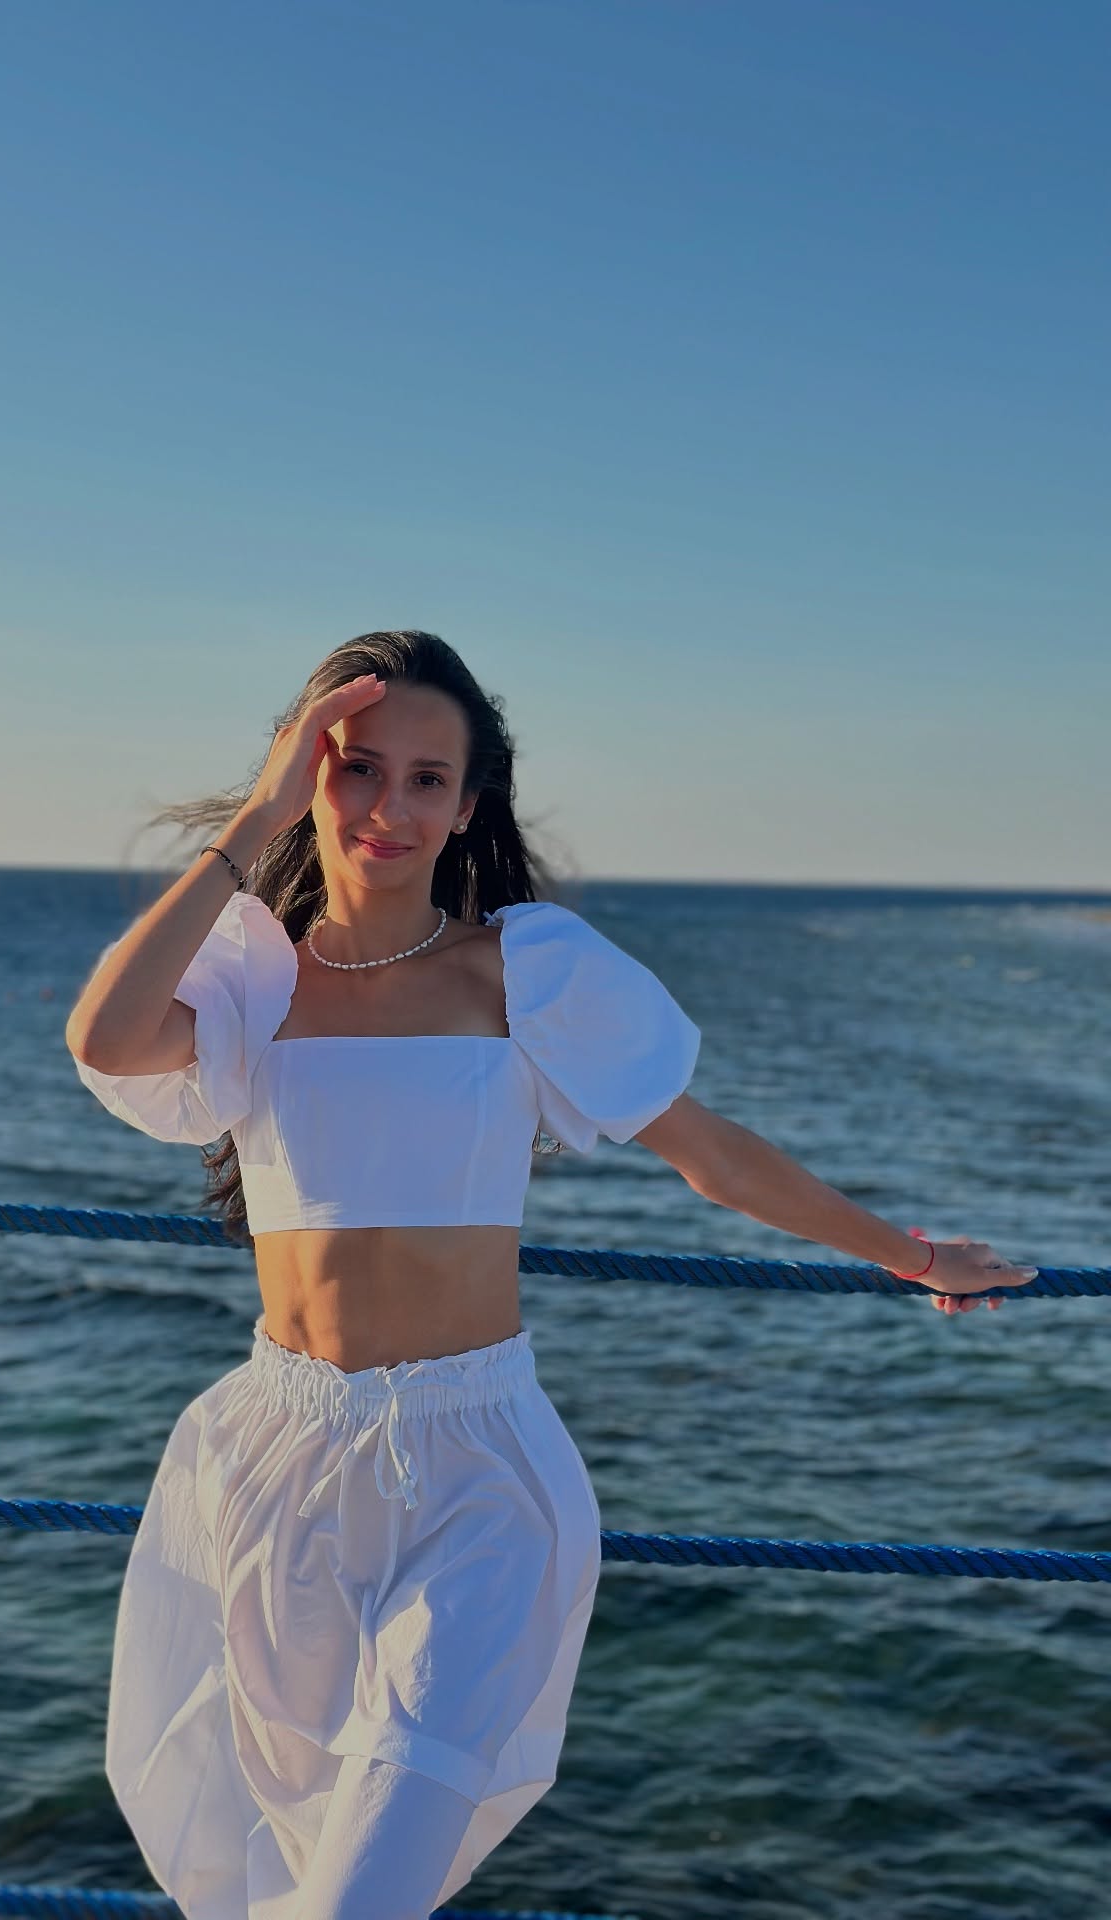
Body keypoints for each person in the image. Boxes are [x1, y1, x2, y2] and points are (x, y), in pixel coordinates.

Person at [65, 630, 1039, 1920]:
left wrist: (912, 1256)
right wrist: (256, 817)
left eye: (428, 779)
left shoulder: (524, 971)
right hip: (277, 1463)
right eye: (357, 768)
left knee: (362, 1894)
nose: (390, 807)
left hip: (476, 1474)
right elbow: (108, 1037)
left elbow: (710, 1154)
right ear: (308, 775)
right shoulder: (252, 980)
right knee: (279, 1876)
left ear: (469, 806)